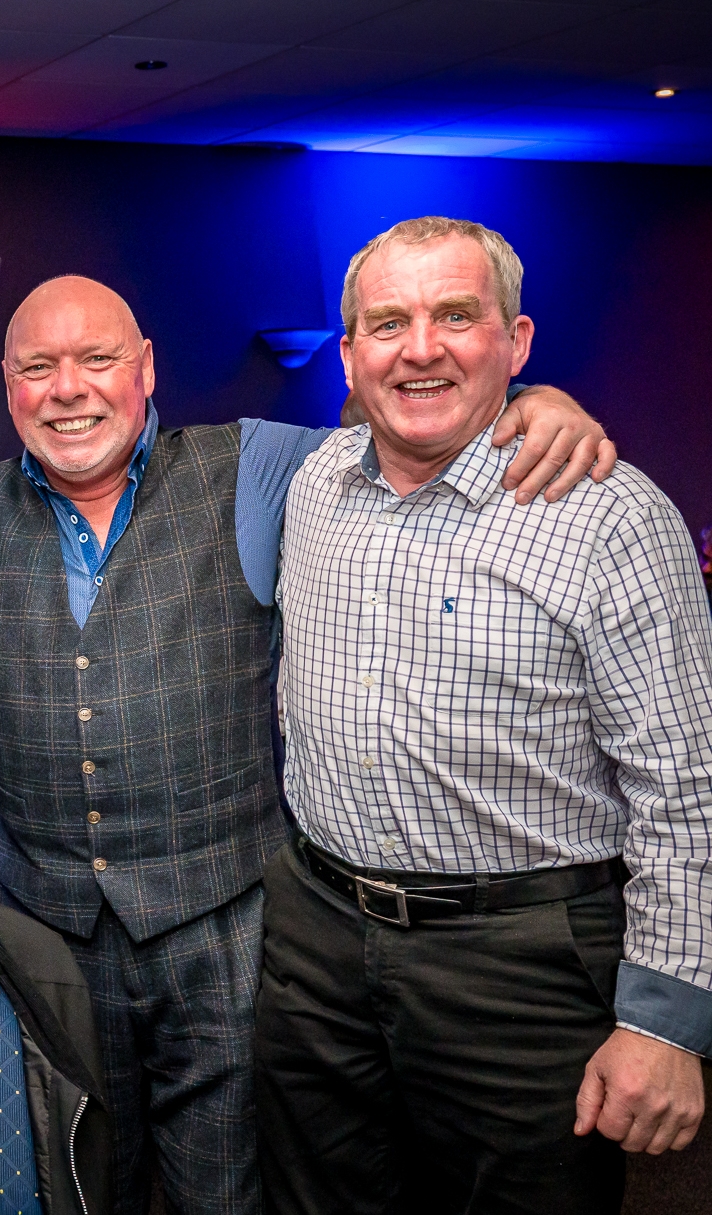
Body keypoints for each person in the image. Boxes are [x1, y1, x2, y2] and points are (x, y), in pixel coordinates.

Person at [0, 273, 615, 1215]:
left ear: (147, 369)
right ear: (8, 385)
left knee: (227, 1189)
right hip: (40, 926)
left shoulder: (260, 465)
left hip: (227, 924)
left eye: (98, 359)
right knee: (70, 1181)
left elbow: (410, 423)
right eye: (36, 368)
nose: (68, 389)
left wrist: (534, 400)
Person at [259, 216, 710, 1214]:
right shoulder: (312, 484)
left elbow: (687, 790)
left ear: (516, 341)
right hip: (317, 946)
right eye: (388, 323)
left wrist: (665, 1022)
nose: (419, 348)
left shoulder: (610, 517)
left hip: (520, 963)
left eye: (456, 316)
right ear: (349, 353)